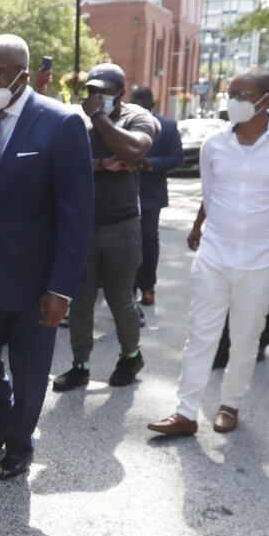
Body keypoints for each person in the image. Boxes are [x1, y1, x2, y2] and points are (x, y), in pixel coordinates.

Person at [149, 70, 269, 436]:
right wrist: (200, 228)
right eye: (231, 93)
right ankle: (186, 412)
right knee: (201, 333)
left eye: (242, 94)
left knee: (245, 336)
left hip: (263, 258)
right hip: (214, 254)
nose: (233, 100)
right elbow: (211, 194)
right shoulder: (214, 144)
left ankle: (230, 405)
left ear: (266, 99)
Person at [0, 34, 93, 480]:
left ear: (21, 75)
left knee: (29, 369)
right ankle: (1, 424)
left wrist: (62, 287)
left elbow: (76, 214)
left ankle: (20, 443)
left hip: (37, 280)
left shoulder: (60, 123)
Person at [52, 63, 155, 392]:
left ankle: (130, 357)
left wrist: (99, 118)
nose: (96, 98)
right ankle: (80, 364)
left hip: (123, 227)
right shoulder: (76, 122)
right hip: (83, 227)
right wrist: (103, 165)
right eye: (91, 91)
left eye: (104, 92)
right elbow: (62, 166)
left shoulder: (136, 119)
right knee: (79, 302)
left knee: (120, 299)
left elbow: (132, 149)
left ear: (121, 93)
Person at [131, 86, 183, 310]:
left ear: (152, 105)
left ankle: (148, 287)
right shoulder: (122, 123)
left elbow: (176, 158)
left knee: (148, 240)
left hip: (151, 194)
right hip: (123, 194)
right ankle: (127, 289)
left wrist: (151, 164)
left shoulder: (168, 127)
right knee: (127, 242)